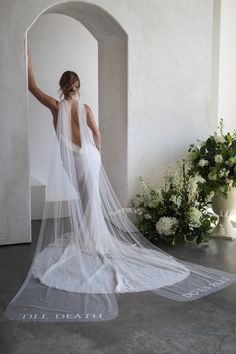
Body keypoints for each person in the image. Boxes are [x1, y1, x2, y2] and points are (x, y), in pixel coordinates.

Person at [4, 51, 236, 322]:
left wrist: (28, 55)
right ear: (79, 87)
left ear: (62, 86)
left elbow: (31, 86)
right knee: (89, 200)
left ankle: (89, 240)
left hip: (74, 161)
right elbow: (97, 134)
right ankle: (90, 238)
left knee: (83, 199)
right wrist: (97, 156)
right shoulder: (86, 108)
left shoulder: (56, 107)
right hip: (89, 158)